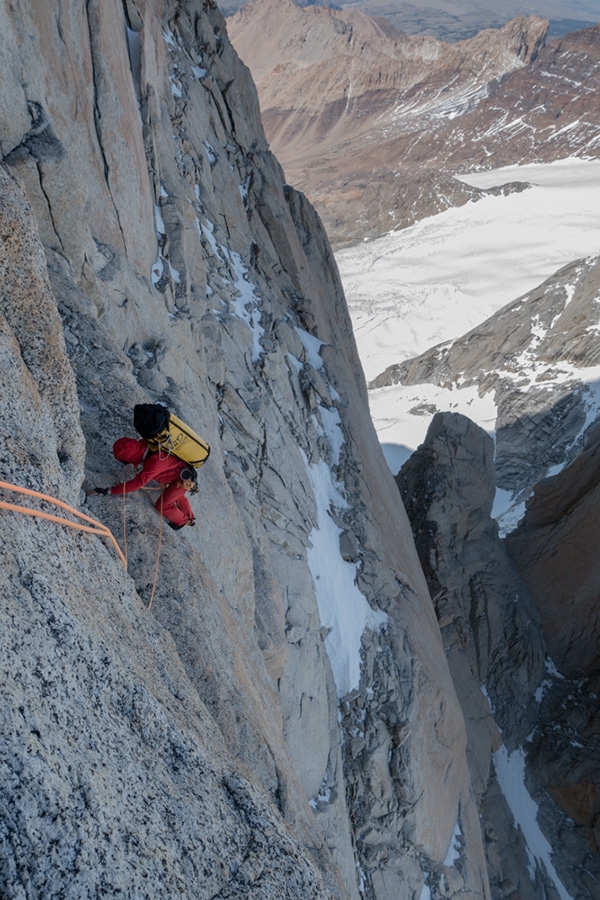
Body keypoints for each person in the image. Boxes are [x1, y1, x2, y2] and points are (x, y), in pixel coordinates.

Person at [88, 437, 197, 530]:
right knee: (176, 495)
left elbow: (137, 483)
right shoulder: (148, 443)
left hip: (183, 481)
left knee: (162, 505)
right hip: (182, 474)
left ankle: (183, 521)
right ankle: (190, 516)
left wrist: (108, 491)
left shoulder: (154, 463)